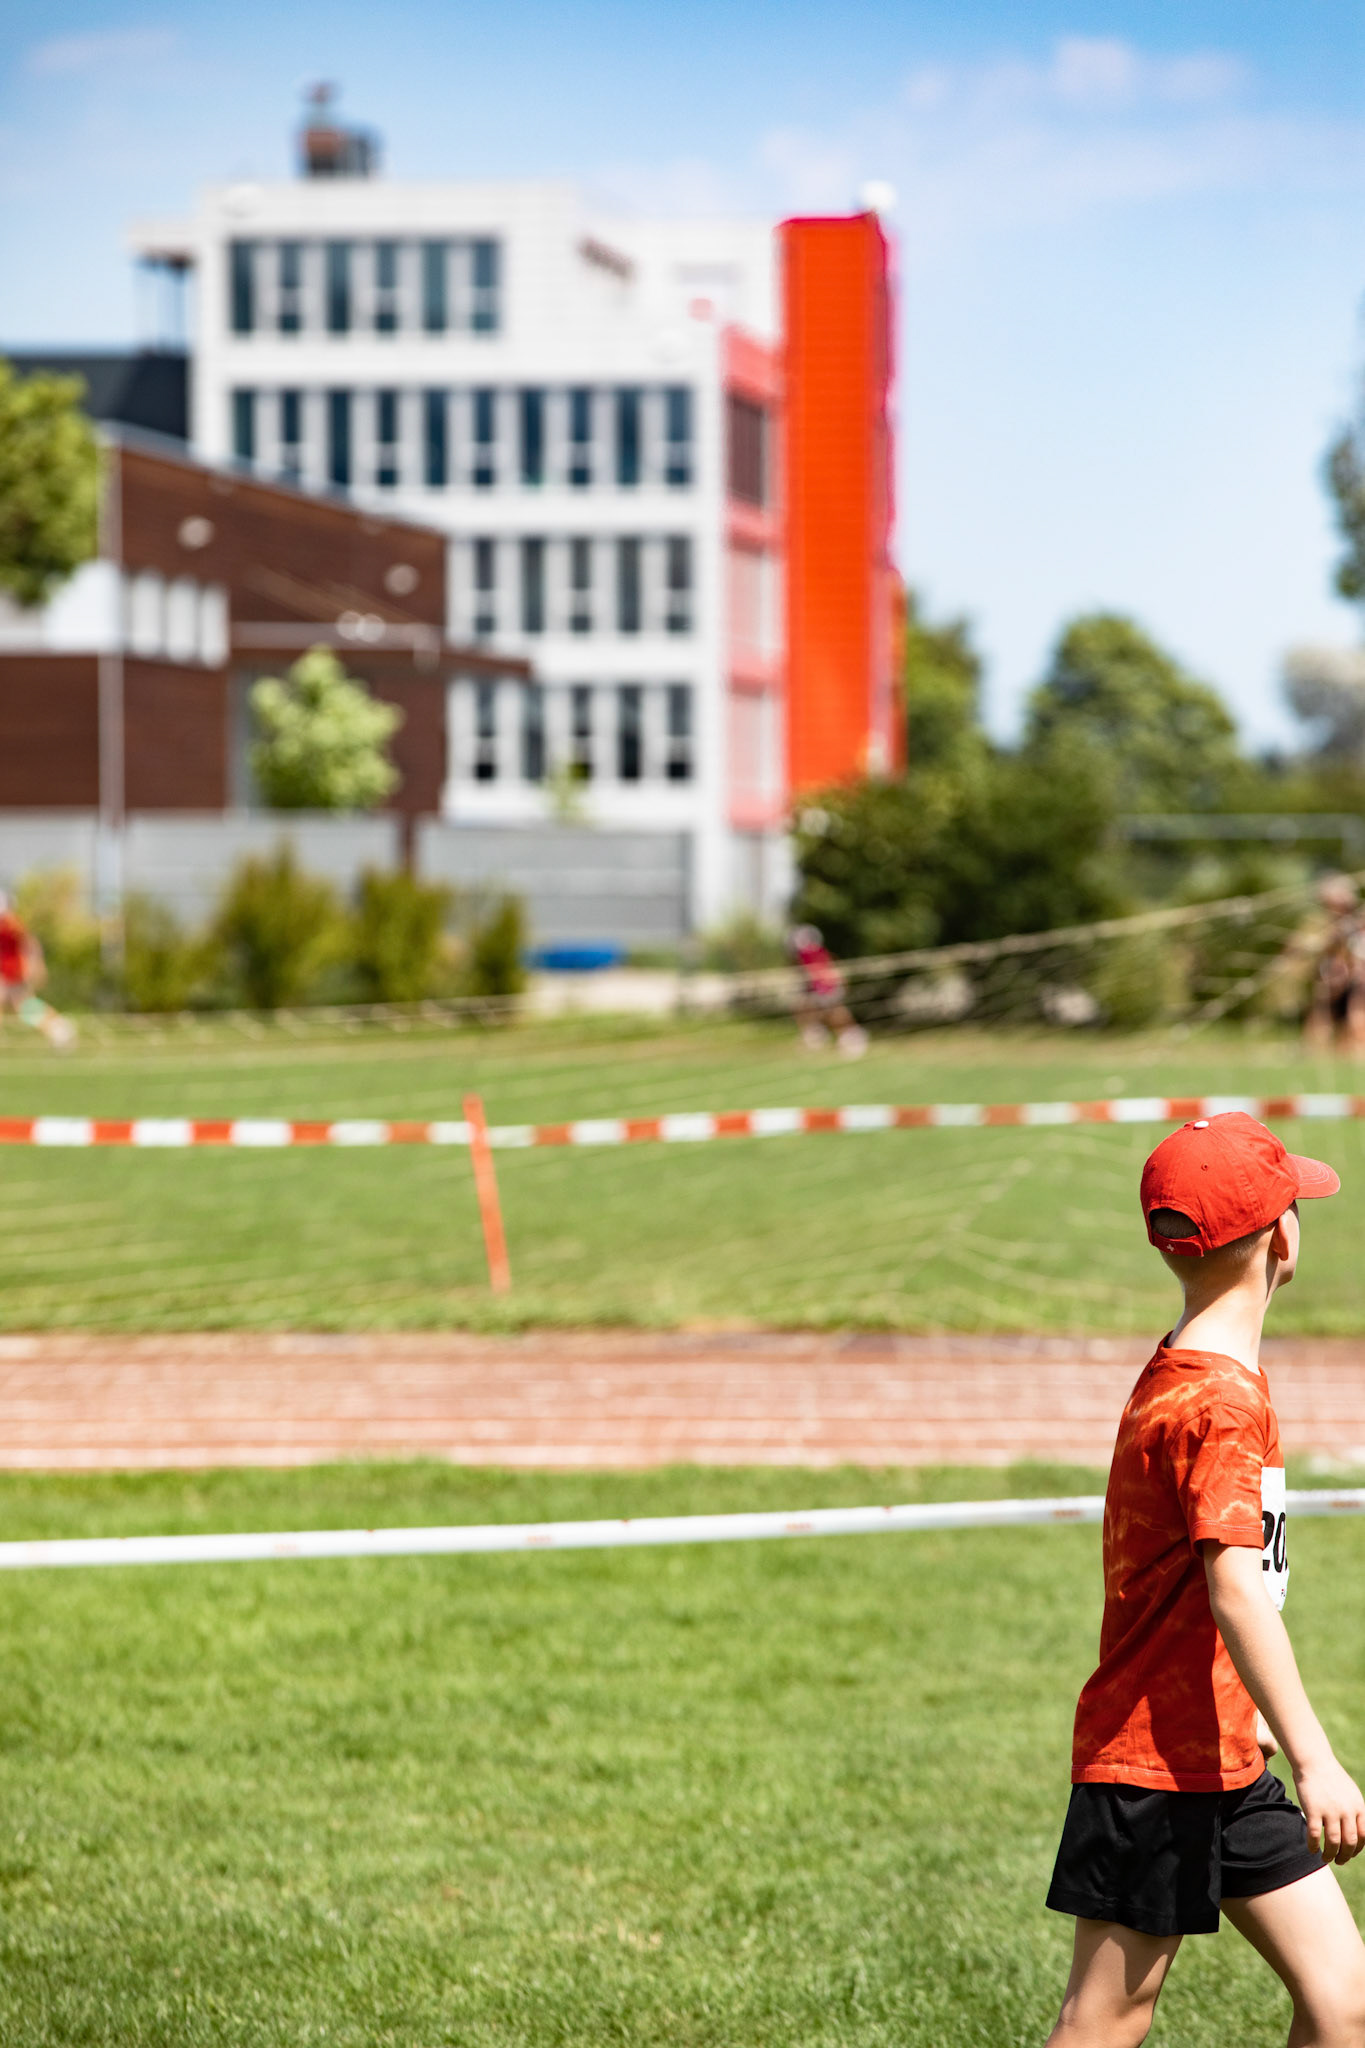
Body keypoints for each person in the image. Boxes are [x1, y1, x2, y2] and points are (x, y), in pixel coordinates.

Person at [1044, 1110, 1365, 2048]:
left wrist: (1255, 1720)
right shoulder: (1219, 1401)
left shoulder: (1192, 1366)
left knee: (1344, 1997)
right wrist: (1317, 1758)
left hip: (1223, 1751)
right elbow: (1232, 1587)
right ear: (1280, 1236)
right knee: (1105, 2021)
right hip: (1151, 1762)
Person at [0, 891, 75, 1049]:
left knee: (25, 1007)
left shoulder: (10, 924)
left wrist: (36, 966)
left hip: (11, 974)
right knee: (23, 1006)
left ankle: (59, 1028)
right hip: (7, 974)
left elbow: (30, 944)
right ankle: (58, 1028)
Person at [1304, 874, 1365, 1054]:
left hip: (1356, 981)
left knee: (1356, 1015)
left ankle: (1354, 1051)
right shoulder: (1325, 926)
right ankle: (1317, 1052)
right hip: (1333, 980)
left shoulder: (1357, 924)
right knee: (1322, 1015)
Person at [787, 923, 866, 1058]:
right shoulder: (814, 953)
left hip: (826, 988)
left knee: (834, 1013)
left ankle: (850, 1038)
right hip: (823, 988)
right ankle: (817, 1036)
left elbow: (820, 972)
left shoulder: (810, 954)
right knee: (811, 1011)